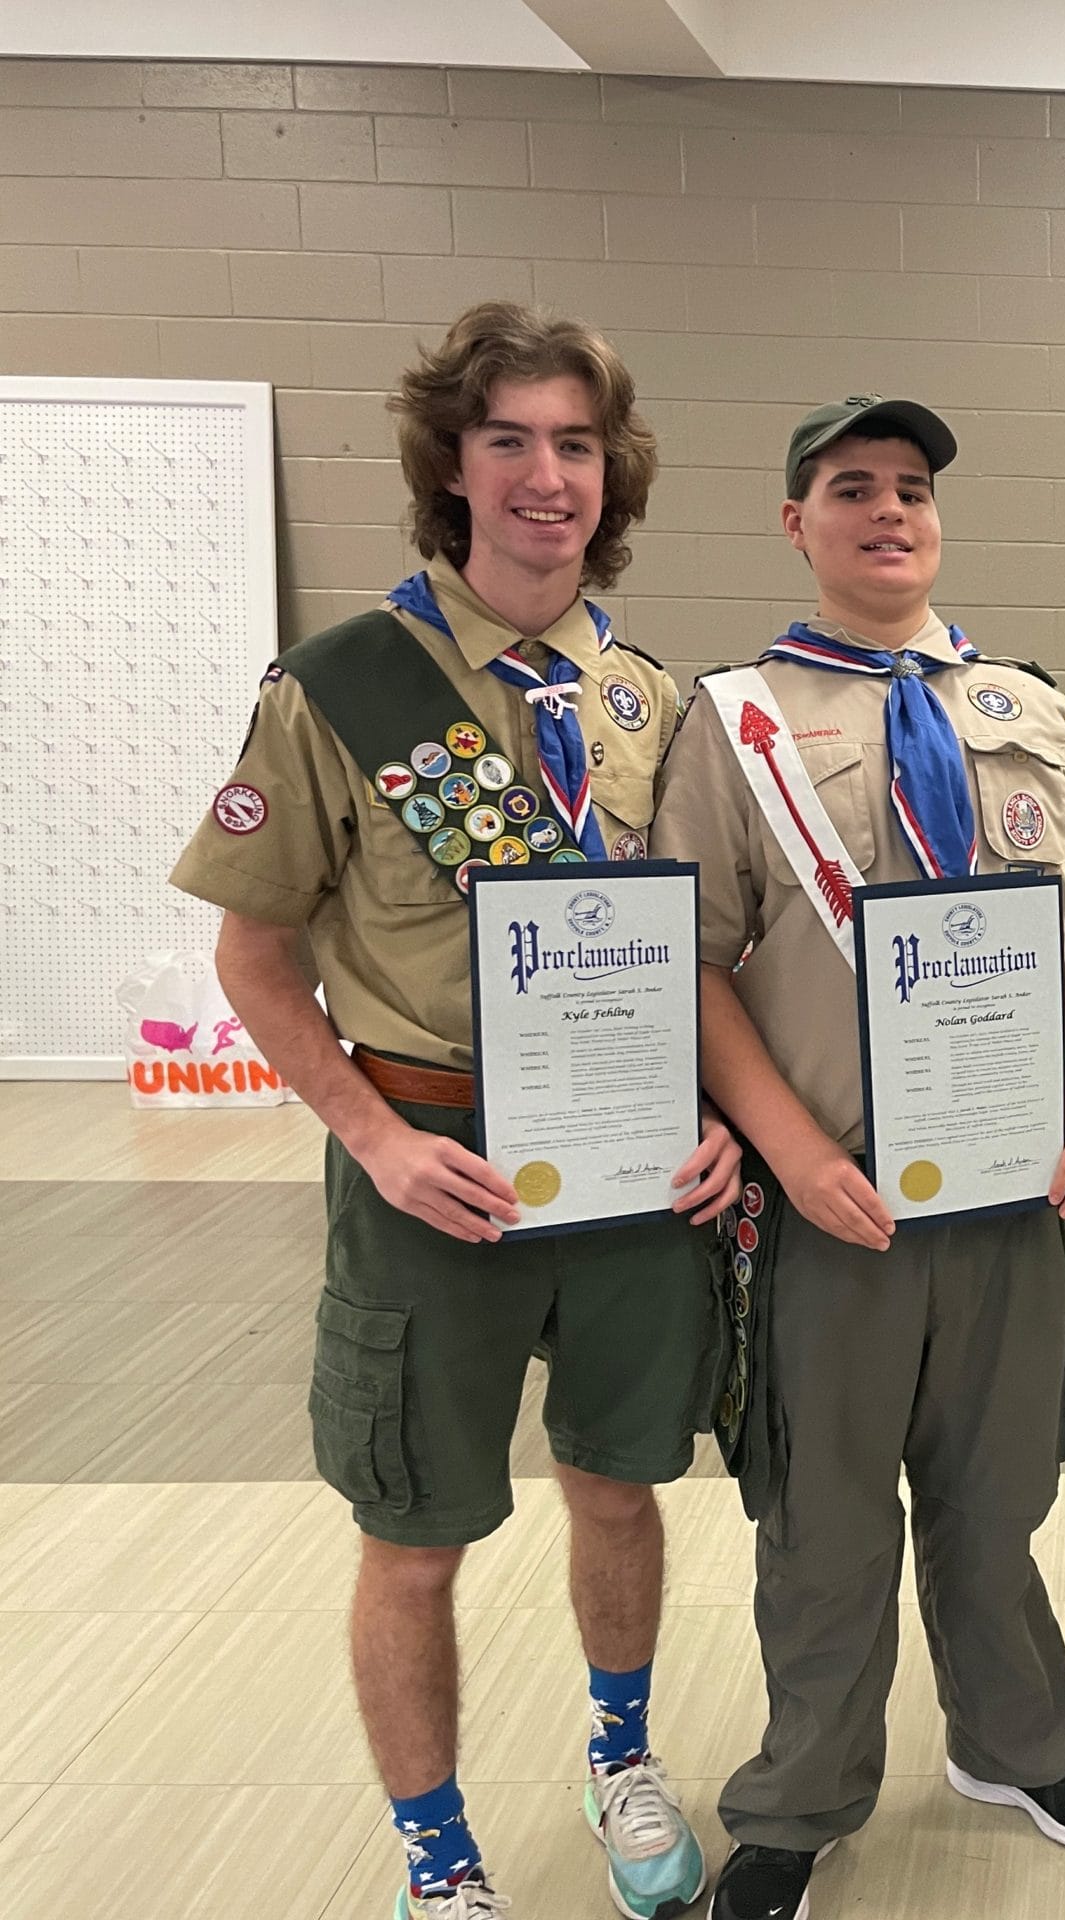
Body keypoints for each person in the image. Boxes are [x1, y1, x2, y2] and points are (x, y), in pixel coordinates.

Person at [170, 302, 742, 1920]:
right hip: (430, 1169)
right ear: (454, 464)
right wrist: (370, 1136)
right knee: (414, 1533)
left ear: (608, 473)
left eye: (574, 442)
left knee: (622, 1482)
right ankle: (439, 1858)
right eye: (510, 440)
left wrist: (719, 1119)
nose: (546, 476)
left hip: (633, 1169)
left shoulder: (655, 702)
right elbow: (256, 953)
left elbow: (707, 949)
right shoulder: (342, 688)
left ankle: (619, 1757)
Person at [649, 395, 1065, 1920]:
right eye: (850, 488)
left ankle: (1016, 1743)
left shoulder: (1029, 712)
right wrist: (788, 1154)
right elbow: (697, 963)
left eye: (914, 489)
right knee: (827, 1527)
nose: (889, 512)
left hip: (1006, 1201)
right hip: (838, 1204)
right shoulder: (731, 723)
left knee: (1001, 1502)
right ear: (795, 522)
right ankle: (799, 1803)